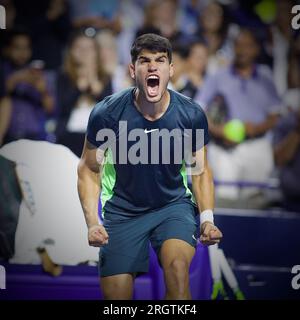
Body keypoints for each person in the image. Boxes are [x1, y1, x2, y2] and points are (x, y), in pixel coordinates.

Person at [77, 33, 222, 300]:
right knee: (117, 299)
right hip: (122, 211)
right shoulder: (107, 113)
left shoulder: (190, 114)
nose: (153, 67)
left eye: (160, 60)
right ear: (133, 70)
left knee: (178, 271)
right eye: (144, 61)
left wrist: (207, 220)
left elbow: (200, 171)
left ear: (171, 70)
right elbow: (88, 170)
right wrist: (91, 222)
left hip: (172, 207)